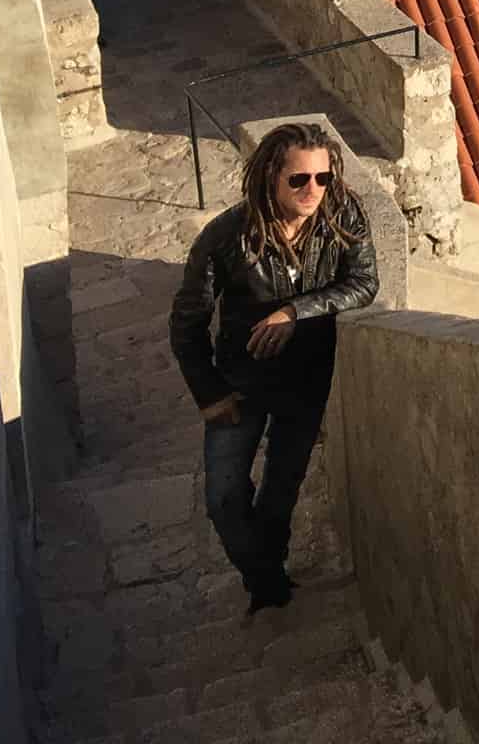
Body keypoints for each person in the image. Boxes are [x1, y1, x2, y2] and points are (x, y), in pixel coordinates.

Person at [170, 123, 378, 612]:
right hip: (240, 384)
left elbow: (364, 282)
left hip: (305, 380)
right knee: (223, 498)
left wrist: (295, 311)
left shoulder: (342, 215)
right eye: (299, 180)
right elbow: (187, 323)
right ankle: (264, 577)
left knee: (281, 491)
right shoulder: (225, 238)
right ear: (269, 176)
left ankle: (268, 589)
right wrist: (209, 393)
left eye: (323, 179)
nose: (313, 191)